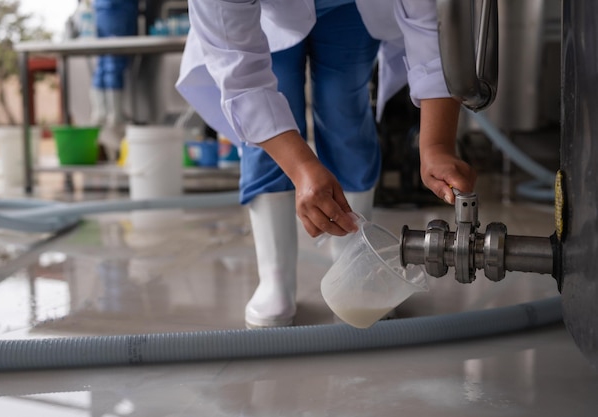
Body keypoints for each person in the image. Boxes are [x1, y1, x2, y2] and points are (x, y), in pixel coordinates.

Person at [176, 0, 476, 328]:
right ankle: (275, 278)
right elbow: (243, 79)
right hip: (265, 11)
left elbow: (429, 27)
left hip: (350, 6)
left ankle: (354, 266)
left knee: (344, 112)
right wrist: (302, 168)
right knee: (271, 130)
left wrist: (436, 145)